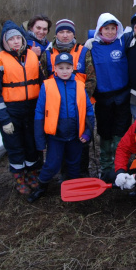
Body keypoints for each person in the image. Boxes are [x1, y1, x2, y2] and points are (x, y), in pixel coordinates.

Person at [29, 52, 95, 202]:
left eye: (68, 67)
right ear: (55, 69)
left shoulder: (79, 86)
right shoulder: (47, 86)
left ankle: (72, 188)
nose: (64, 71)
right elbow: (39, 113)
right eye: (61, 67)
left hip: (75, 135)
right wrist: (40, 141)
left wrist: (87, 133)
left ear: (73, 68)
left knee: (74, 163)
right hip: (56, 136)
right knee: (52, 164)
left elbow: (89, 112)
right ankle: (41, 187)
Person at [0, 21, 45, 196]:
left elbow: (43, 84)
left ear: (23, 39)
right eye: (11, 39)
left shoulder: (32, 57)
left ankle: (32, 174)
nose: (15, 42)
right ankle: (19, 178)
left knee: (32, 144)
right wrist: (4, 119)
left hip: (32, 109)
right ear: (5, 42)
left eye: (18, 38)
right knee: (15, 146)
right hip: (11, 111)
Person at [41, 19, 97, 177]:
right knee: (60, 138)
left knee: (82, 139)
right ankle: (64, 173)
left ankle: (82, 171)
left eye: (69, 32)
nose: (65, 35)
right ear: (56, 34)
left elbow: (91, 79)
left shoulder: (83, 51)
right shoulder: (48, 53)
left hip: (81, 103)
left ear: (73, 33)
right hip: (56, 106)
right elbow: (43, 79)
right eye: (61, 32)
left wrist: (80, 99)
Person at [87, 13, 131, 180]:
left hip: (122, 97)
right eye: (107, 28)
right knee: (105, 133)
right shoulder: (91, 47)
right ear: (100, 29)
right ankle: (105, 168)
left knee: (120, 132)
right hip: (103, 98)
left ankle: (120, 166)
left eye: (113, 28)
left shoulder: (123, 42)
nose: (111, 32)